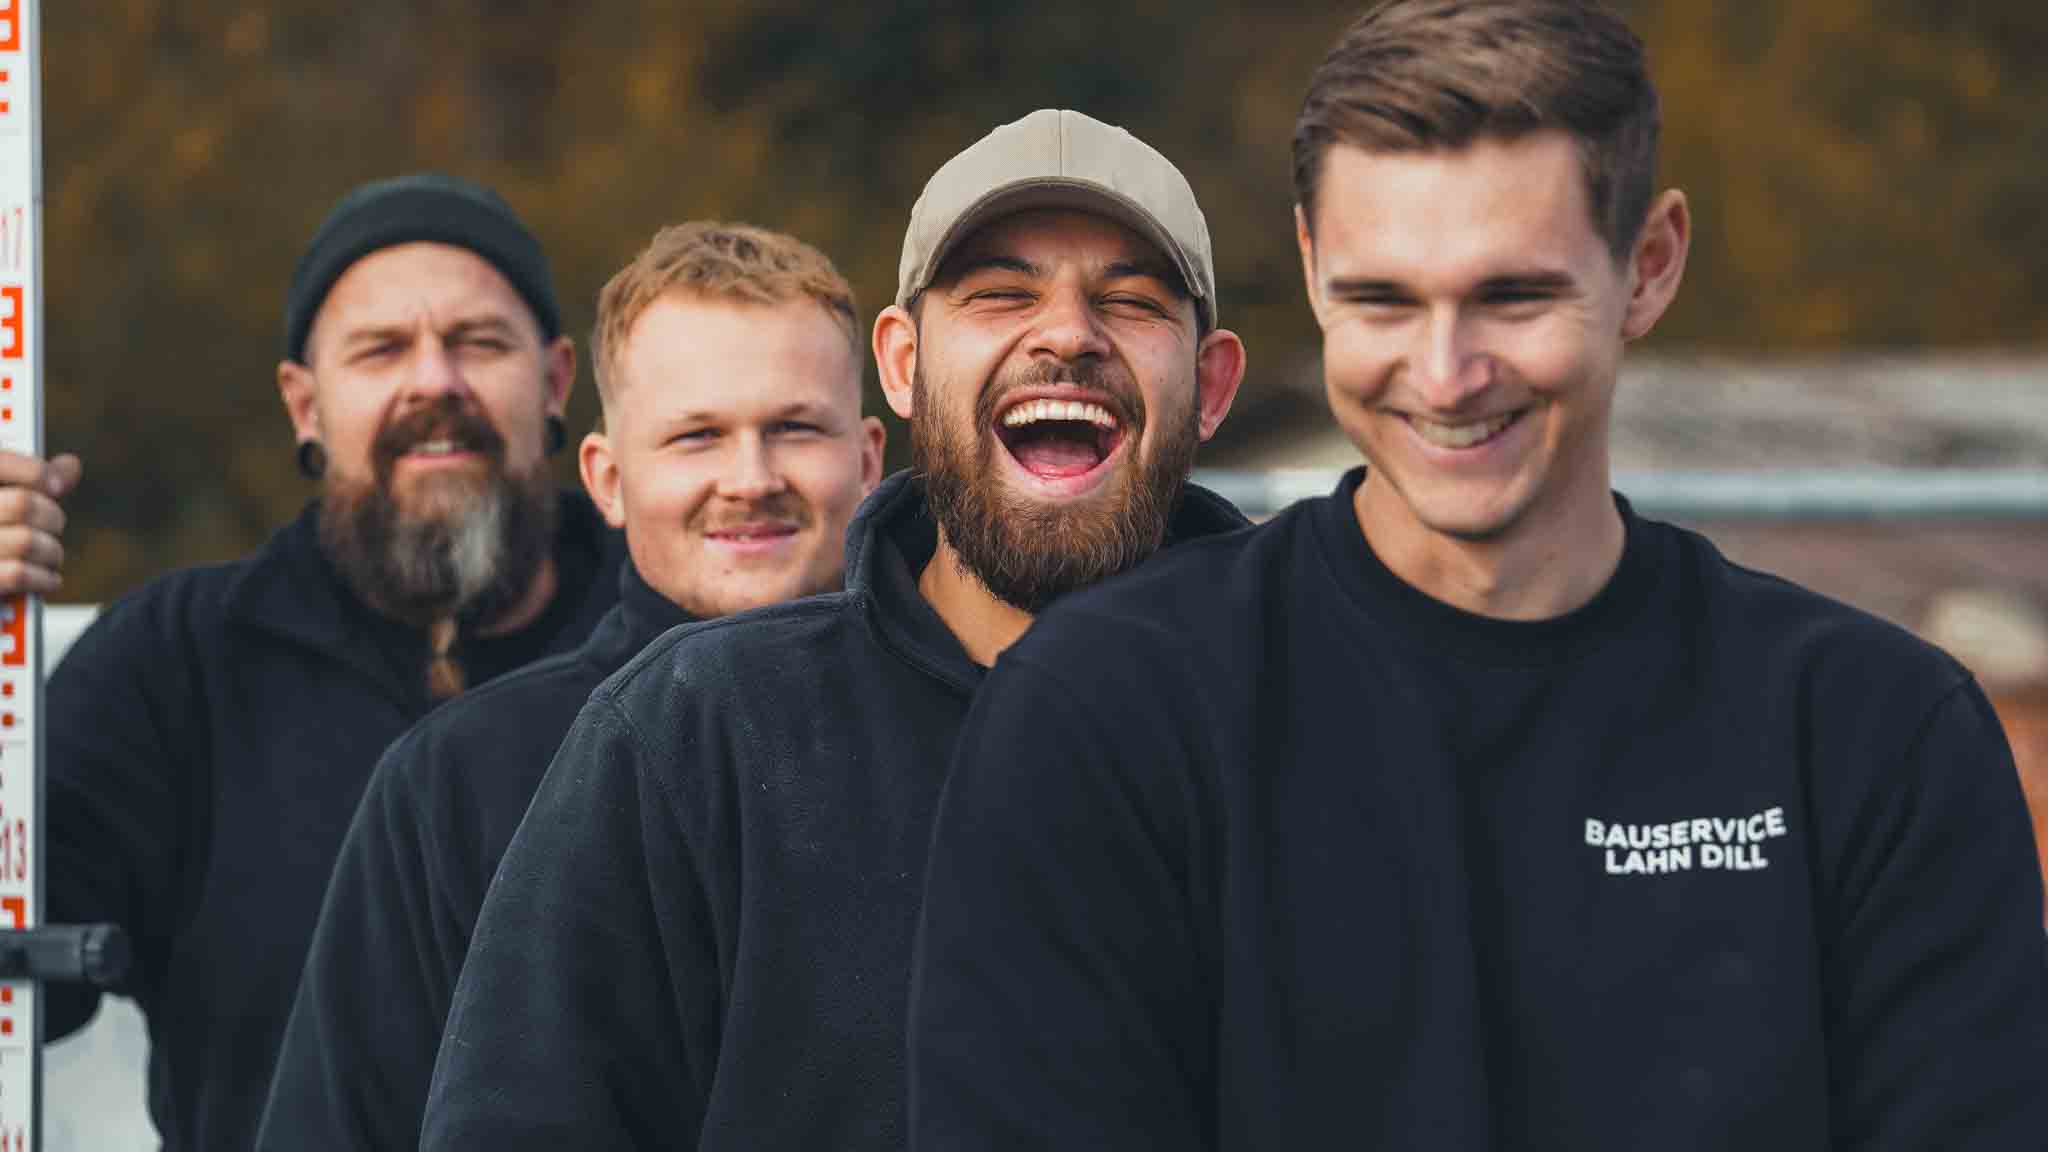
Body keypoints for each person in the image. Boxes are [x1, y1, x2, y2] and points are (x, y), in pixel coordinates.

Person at [908, 3, 2048, 1149]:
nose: (1444, 375)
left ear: (1646, 267)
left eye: (1511, 297)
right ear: (1309, 268)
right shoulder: (1106, 714)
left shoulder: (1869, 734)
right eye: (1383, 300)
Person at [417, 109, 1249, 1150]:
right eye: (999, 292)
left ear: (1210, 385)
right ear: (899, 366)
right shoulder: (694, 736)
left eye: (1129, 300)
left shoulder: (1325, 735)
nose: (1067, 334)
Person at [254, 221, 885, 1152]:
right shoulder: (452, 782)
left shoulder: (970, 728)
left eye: (794, 427)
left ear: (869, 460)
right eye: (696, 437)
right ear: (607, 478)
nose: (750, 479)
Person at [43, 172, 628, 1152]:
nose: (434, 381)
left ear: (557, 381)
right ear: (302, 404)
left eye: (478, 342)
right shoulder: (176, 665)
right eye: (380, 349)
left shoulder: (675, 646)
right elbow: (26, 984)